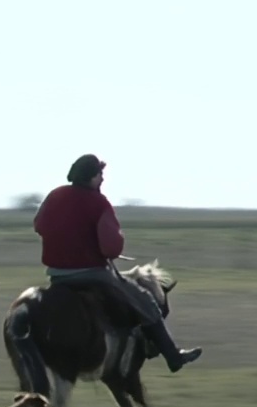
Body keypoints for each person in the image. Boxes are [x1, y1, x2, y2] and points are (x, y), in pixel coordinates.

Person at [33, 154, 202, 373]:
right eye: (99, 174)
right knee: (146, 301)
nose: (102, 179)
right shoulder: (98, 203)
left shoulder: (54, 195)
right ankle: (173, 356)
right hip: (92, 274)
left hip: (57, 274)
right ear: (91, 176)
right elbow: (112, 248)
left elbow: (38, 225)